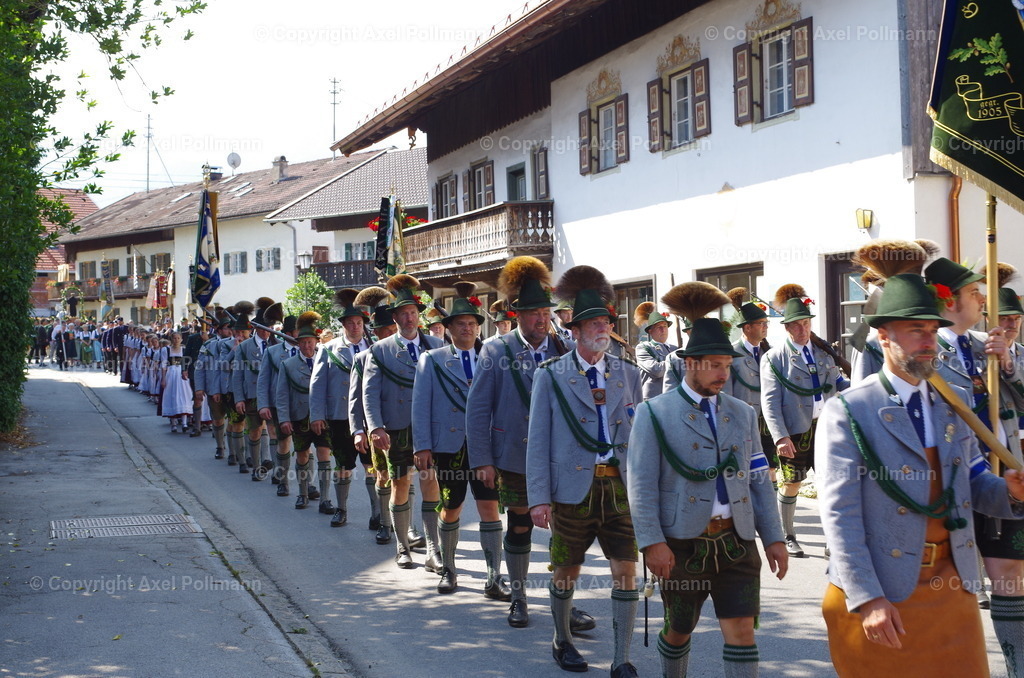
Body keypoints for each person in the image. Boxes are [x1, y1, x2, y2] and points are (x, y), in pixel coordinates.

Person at [816, 271, 1024, 677]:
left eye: (933, 330)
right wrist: (868, 598)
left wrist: (1011, 492)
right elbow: (840, 515)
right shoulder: (849, 410)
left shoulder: (956, 400)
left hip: (951, 590)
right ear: (883, 337)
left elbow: (972, 484)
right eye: (916, 331)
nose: (929, 342)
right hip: (881, 591)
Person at [629, 281, 787, 678]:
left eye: (727, 365)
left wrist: (774, 537)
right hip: (682, 546)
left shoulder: (741, 413)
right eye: (715, 365)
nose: (722, 373)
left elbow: (758, 479)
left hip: (737, 542)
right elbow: (641, 485)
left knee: (742, 633)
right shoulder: (654, 413)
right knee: (680, 630)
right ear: (690, 364)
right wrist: (652, 543)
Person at [526, 264, 642, 675]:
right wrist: (538, 498)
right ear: (574, 331)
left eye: (605, 322)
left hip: (620, 488)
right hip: (571, 489)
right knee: (566, 569)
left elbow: (639, 435)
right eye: (592, 323)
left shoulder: (628, 373)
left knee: (625, 570)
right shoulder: (552, 376)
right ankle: (562, 640)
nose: (601, 329)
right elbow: (538, 441)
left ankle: (621, 657)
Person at [467, 256, 584, 628]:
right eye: (533, 313)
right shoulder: (495, 350)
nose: (540, 319)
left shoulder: (563, 349)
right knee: (520, 525)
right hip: (514, 456)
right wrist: (482, 459)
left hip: (559, 458)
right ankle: (518, 598)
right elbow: (477, 410)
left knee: (564, 530)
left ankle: (563, 603)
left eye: (545, 312)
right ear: (518, 315)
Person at [925, 256, 1024, 674]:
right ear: (948, 301)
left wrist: (1008, 364)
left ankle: (1016, 665)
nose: (983, 298)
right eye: (973, 292)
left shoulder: (986, 343)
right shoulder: (925, 349)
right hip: (957, 481)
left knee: (1010, 572)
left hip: (1006, 473)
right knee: (952, 583)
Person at [412, 282, 504, 595]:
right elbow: (420, 405)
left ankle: (495, 577)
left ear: (479, 328)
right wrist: (422, 445)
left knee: (490, 507)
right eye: (460, 324)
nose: (467, 328)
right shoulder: (432, 359)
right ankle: (448, 571)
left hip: (486, 447)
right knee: (452, 506)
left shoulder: (493, 358)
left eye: (472, 324)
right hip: (448, 446)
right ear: (449, 328)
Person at [761, 284, 849, 557]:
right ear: (786, 328)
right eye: (796, 326)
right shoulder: (775, 358)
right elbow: (770, 401)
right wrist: (780, 437)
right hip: (795, 430)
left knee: (830, 482)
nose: (802, 330)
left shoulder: (824, 353)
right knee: (792, 483)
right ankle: (787, 535)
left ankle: (831, 539)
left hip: (827, 428)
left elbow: (839, 384)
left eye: (806, 323)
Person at [363, 274, 444, 570]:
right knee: (400, 483)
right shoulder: (379, 350)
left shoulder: (436, 345)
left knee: (430, 482)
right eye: (403, 314)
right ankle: (402, 546)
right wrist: (375, 426)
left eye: (413, 313)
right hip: (396, 428)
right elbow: (369, 393)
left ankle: (434, 548)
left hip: (430, 428)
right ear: (394, 317)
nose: (409, 318)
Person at [310, 289, 373, 526]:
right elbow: (317, 385)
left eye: (358, 322)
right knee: (343, 464)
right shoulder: (329, 348)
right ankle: (341, 509)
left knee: (371, 466)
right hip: (339, 416)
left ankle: (377, 513)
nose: (355, 326)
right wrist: (316, 415)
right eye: (351, 322)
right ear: (343, 324)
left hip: (368, 417)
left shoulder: (374, 347)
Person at [350, 287, 398, 541]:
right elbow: (356, 398)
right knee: (382, 475)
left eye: (393, 330)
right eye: (385, 331)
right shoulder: (363, 358)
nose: (390, 335)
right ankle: (384, 521)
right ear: (376, 333)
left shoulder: (407, 356)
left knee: (405, 477)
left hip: (405, 426)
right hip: (377, 427)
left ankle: (405, 526)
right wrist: (358, 430)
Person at [722, 288, 778, 482]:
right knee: (745, 472)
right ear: (747, 328)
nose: (765, 327)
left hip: (767, 423)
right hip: (743, 422)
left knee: (770, 471)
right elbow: (726, 395)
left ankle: (771, 512)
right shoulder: (732, 354)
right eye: (761, 324)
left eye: (766, 323)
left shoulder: (769, 353)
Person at [276, 312, 330, 509]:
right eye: (303, 342)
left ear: (316, 341)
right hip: (299, 417)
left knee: (324, 453)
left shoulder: (326, 361)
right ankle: (303, 493)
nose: (307, 346)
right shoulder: (288, 365)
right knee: (302, 455)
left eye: (310, 342)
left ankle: (325, 498)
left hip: (323, 416)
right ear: (298, 343)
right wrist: (284, 419)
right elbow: (281, 395)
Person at [231, 297, 276, 479]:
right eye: (264, 328)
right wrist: (239, 398)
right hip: (252, 395)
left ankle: (277, 472)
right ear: (256, 328)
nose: (267, 332)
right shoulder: (245, 347)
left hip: (273, 396)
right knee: (255, 430)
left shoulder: (277, 345)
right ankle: (257, 467)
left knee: (274, 432)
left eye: (270, 328)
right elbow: (237, 375)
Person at [258, 303, 300, 495]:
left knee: (305, 445)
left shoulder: (309, 350)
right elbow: (263, 380)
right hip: (279, 403)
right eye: (298, 331)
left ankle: (308, 485)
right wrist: (263, 404)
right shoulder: (272, 352)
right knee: (283, 442)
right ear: (290, 332)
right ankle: (283, 479)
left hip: (303, 405)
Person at [633, 301, 677, 400]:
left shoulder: (675, 349)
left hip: (672, 399)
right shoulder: (643, 348)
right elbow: (657, 370)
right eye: (659, 327)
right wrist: (678, 362)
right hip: (653, 399)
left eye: (665, 326)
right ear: (650, 331)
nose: (663, 330)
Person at [161, 331, 193, 433]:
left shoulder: (184, 350)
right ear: (171, 339)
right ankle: (173, 423)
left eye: (178, 338)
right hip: (171, 374)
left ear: (182, 339)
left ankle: (184, 423)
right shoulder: (166, 350)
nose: (176, 340)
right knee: (172, 396)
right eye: (174, 338)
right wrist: (163, 378)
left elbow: (188, 363)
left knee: (184, 396)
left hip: (182, 375)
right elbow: (163, 365)